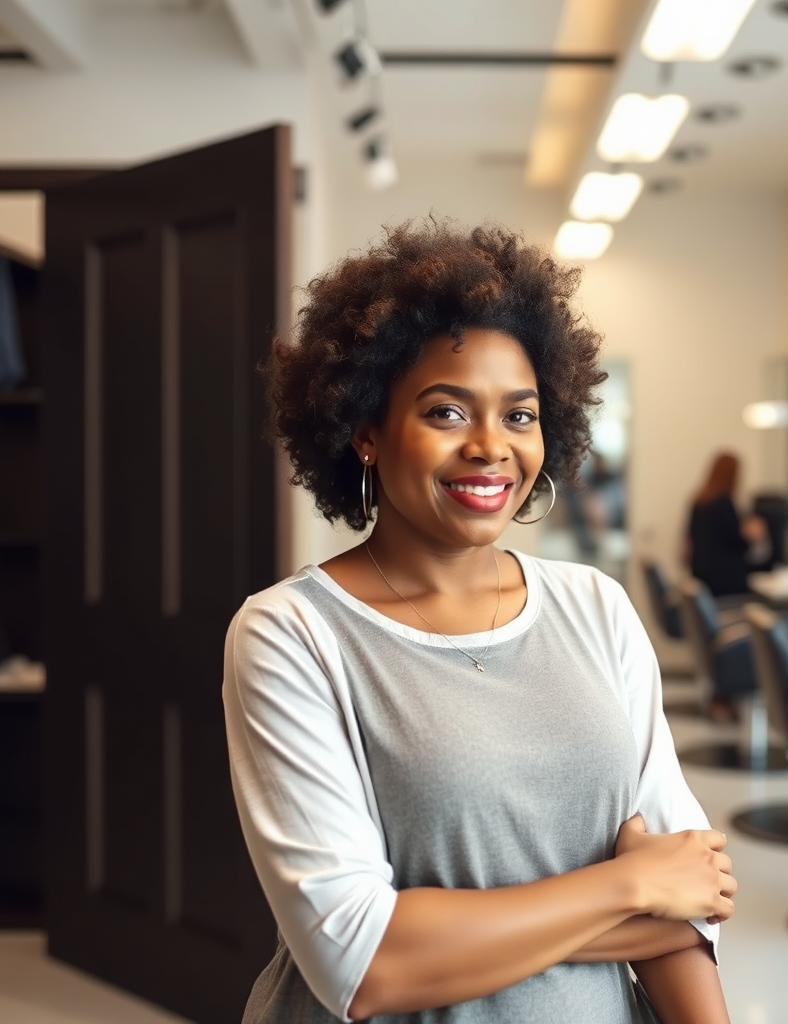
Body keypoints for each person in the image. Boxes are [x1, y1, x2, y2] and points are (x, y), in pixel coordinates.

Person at [223, 220, 736, 1024]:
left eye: (520, 416)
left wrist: (644, 902)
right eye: (446, 413)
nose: (491, 448)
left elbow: (690, 898)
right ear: (365, 431)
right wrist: (625, 888)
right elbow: (364, 963)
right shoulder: (291, 636)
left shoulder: (596, 608)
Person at [684, 452, 767, 599]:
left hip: (703, 576)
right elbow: (735, 541)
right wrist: (752, 535)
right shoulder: (723, 503)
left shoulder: (699, 500)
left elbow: (690, 536)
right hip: (724, 583)